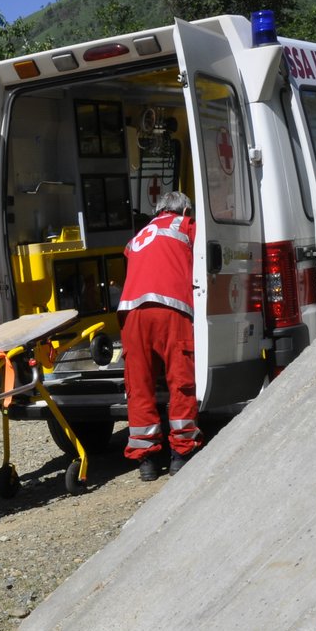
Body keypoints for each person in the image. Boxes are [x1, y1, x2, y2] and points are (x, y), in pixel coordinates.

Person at [118, 191, 202, 482]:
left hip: (131, 312)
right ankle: (181, 453)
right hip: (171, 309)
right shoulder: (185, 226)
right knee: (180, 380)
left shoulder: (140, 234)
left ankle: (148, 462)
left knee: (139, 386)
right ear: (185, 210)